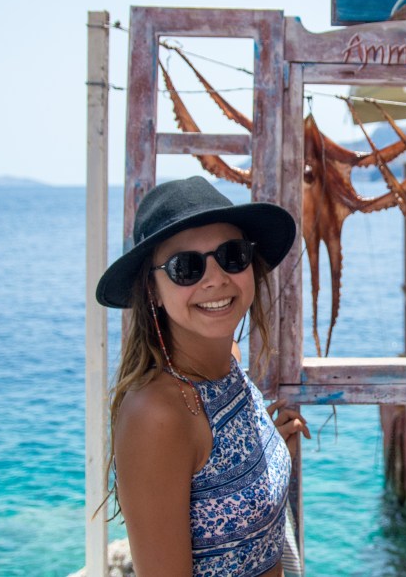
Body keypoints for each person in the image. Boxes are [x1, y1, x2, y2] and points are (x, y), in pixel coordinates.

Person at [95, 176, 311, 576]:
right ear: (153, 291)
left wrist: (269, 449)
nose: (215, 279)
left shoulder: (227, 363)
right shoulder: (157, 415)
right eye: (185, 267)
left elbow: (214, 469)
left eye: (231, 255)